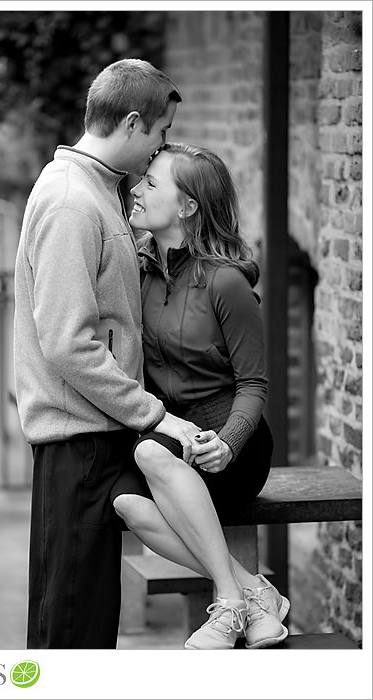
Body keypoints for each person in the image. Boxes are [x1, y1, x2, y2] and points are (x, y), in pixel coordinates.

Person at [13, 58, 202, 649]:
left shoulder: (99, 191)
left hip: (96, 435)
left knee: (84, 620)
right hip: (79, 441)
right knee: (71, 627)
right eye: (161, 134)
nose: (160, 149)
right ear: (134, 122)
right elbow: (69, 343)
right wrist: (151, 413)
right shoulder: (72, 202)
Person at [112, 142, 288, 650]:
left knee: (147, 453)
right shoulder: (137, 271)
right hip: (173, 440)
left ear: (187, 206)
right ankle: (249, 591)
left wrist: (229, 442)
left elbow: (255, 384)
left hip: (234, 446)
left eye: (151, 183)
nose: (137, 189)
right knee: (126, 503)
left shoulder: (226, 282)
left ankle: (230, 605)